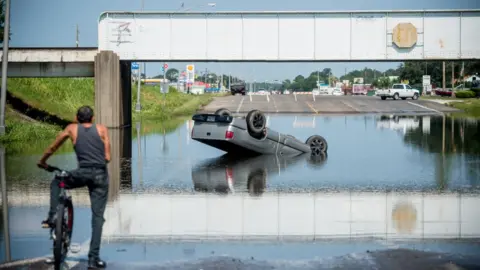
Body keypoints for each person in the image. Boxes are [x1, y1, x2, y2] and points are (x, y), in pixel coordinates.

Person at [37, 105, 110, 269]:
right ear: (92, 118)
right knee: (97, 218)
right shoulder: (102, 129)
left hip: (80, 175)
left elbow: (53, 147)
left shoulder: (71, 128)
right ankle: (93, 259)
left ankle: (52, 216)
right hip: (100, 176)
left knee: (58, 182)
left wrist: (42, 162)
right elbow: (108, 157)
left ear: (77, 118)